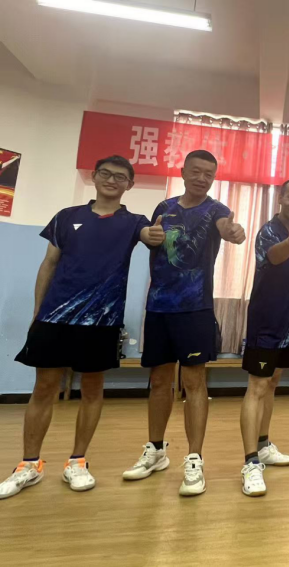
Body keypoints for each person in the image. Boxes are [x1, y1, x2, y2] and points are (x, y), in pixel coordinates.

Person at [1, 155, 162, 499]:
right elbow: (49, 264)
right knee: (44, 388)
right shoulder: (66, 216)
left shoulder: (134, 221)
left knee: (92, 389)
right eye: (106, 173)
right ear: (94, 176)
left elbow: (150, 235)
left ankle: (77, 461)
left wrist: (157, 234)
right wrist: (37, 311)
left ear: (129, 185)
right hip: (54, 317)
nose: (112, 180)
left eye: (120, 177)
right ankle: (29, 464)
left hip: (101, 321)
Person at [123, 150, 246, 496]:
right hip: (159, 307)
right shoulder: (164, 208)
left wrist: (233, 232)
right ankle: (155, 450)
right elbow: (153, 239)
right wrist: (150, 237)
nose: (202, 178)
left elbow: (227, 228)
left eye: (209, 173)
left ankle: (194, 458)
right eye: (196, 171)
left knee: (194, 382)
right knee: (160, 381)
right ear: (182, 172)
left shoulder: (216, 210)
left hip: (195, 309)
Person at [239, 179, 289, 496]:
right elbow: (276, 256)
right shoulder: (269, 230)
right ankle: (250, 461)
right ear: (281, 198)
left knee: (273, 381)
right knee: (257, 385)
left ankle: (263, 444)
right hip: (265, 321)